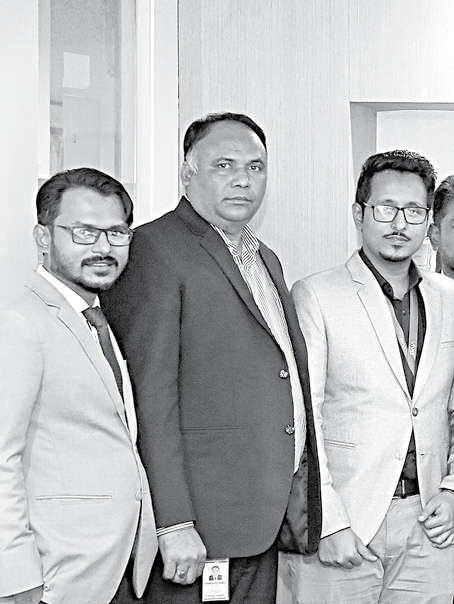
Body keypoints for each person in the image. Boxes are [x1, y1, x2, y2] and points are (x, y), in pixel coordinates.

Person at [103, 112, 322, 602]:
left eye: (255, 167)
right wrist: (172, 521)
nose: (243, 179)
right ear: (188, 172)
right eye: (224, 165)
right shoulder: (154, 250)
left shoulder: (264, 257)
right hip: (196, 529)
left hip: (259, 520)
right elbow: (149, 398)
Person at [277, 151, 454, 602]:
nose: (399, 223)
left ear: (429, 220)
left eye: (414, 211)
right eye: (386, 209)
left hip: (430, 524)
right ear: (359, 214)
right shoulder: (316, 295)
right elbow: (304, 418)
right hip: (346, 524)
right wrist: (328, 522)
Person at [0, 169, 156, 604]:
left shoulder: (97, 320)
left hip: (118, 567)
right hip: (54, 576)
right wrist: (14, 578)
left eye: (116, 233)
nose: (103, 248)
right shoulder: (20, 324)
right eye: (84, 232)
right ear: (43, 237)